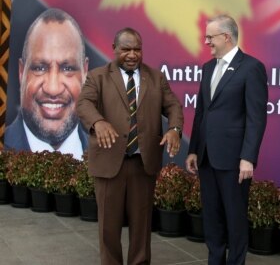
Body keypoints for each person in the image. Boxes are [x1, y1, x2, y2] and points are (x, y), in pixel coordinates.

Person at [76, 27, 184, 264]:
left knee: (142, 227)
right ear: (114, 49)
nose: (133, 54)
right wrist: (98, 121)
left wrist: (175, 129)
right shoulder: (98, 76)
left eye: (137, 49)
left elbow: (174, 106)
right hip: (108, 163)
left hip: (142, 164)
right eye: (126, 49)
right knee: (108, 229)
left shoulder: (156, 77)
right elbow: (83, 103)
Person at [186, 15, 268, 265]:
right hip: (207, 157)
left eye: (210, 36)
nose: (206, 41)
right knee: (212, 216)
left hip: (234, 160)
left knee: (235, 218)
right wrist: (193, 150)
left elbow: (256, 118)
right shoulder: (208, 68)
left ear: (227, 37)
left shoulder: (251, 68)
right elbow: (202, 112)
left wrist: (248, 158)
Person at [4, 8, 88, 159]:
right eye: (40, 68)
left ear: (85, 73)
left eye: (67, 68)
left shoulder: (112, 161)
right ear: (21, 72)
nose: (53, 89)